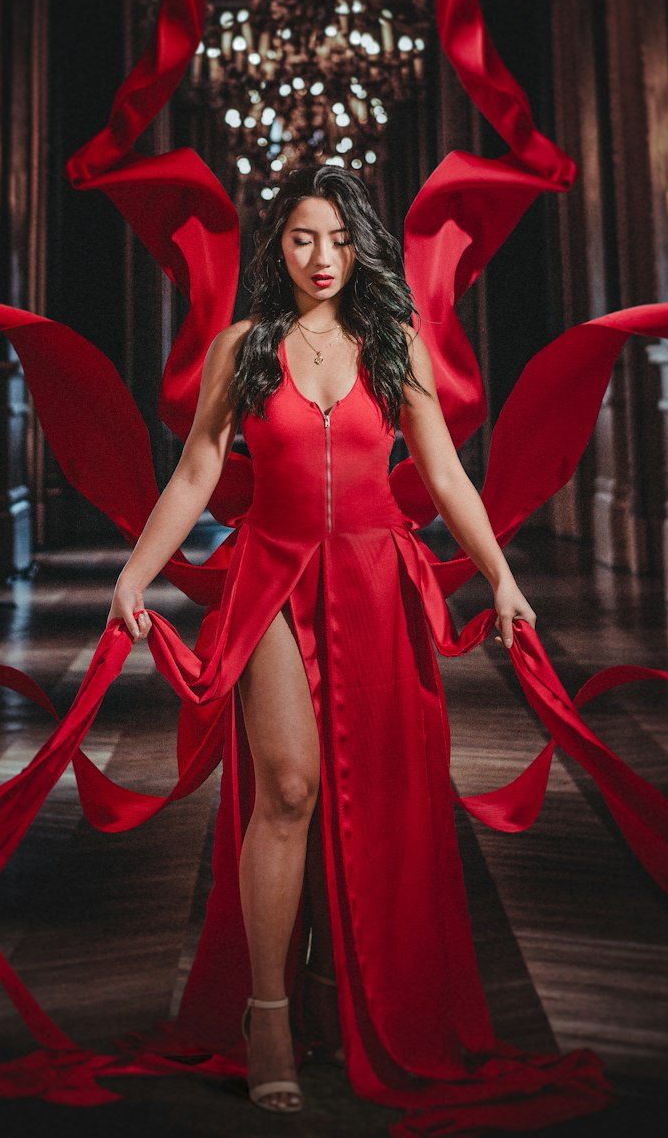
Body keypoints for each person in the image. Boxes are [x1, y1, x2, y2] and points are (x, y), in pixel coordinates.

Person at [106, 162, 543, 1114]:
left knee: (377, 795)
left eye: (339, 240)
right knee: (292, 786)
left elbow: (446, 474)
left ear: (362, 250)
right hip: (274, 574)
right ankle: (267, 1016)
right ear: (280, 247)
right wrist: (134, 572)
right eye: (304, 238)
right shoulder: (243, 348)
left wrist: (503, 579)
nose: (322, 257)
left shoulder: (394, 344)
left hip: (381, 581)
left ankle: (333, 996)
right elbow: (196, 475)